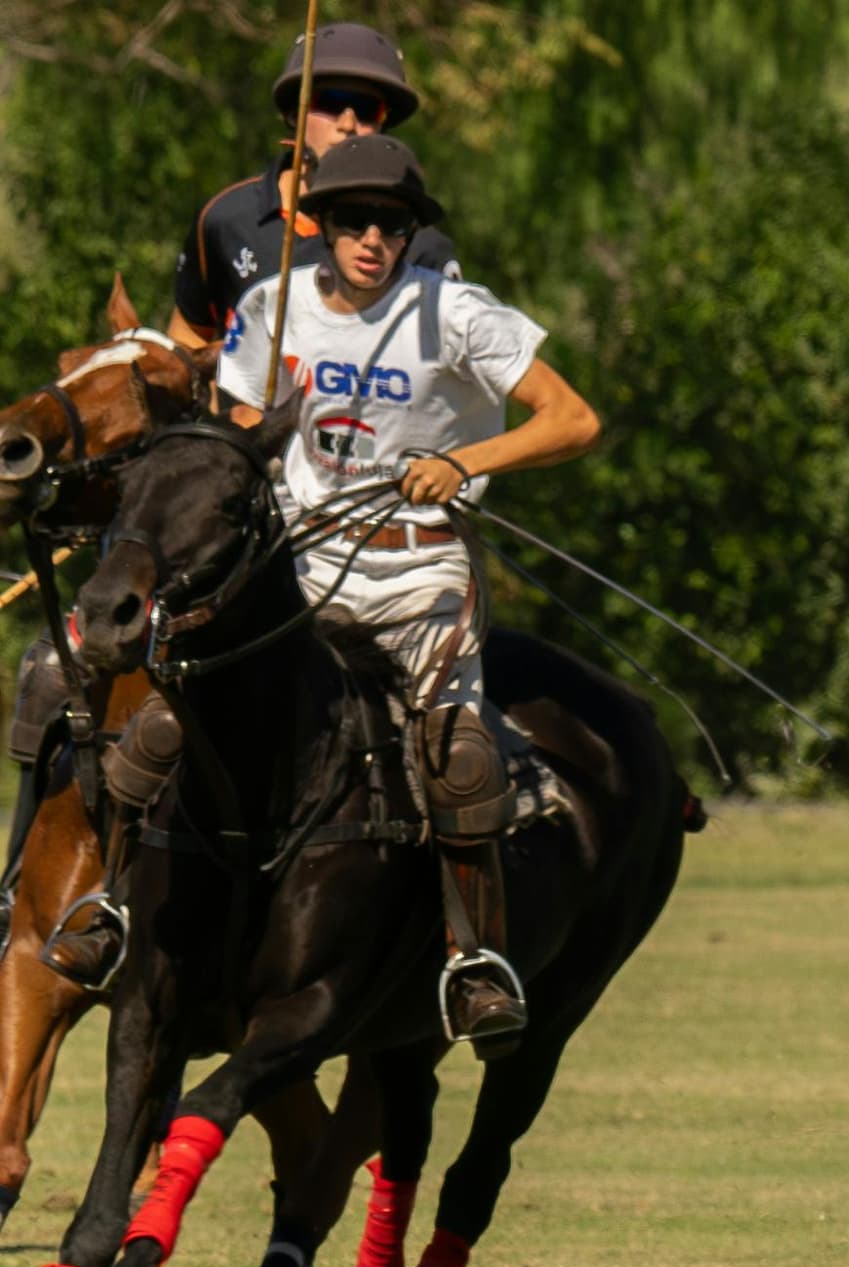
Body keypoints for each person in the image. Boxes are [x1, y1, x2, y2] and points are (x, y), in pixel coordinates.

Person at [122, 135, 597, 1054]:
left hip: (418, 570)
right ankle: (102, 909)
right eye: (353, 221)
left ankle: (475, 960)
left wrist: (464, 460)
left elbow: (574, 420)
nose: (373, 237)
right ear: (321, 226)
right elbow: (241, 432)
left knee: (456, 755)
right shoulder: (270, 309)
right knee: (160, 722)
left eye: (392, 222)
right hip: (297, 564)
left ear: (412, 232)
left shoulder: (456, 315)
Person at [167, 23, 458, 357]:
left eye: (367, 110)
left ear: (383, 125)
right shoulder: (225, 219)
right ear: (294, 111)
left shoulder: (419, 243)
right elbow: (189, 333)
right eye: (331, 103)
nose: (347, 125)